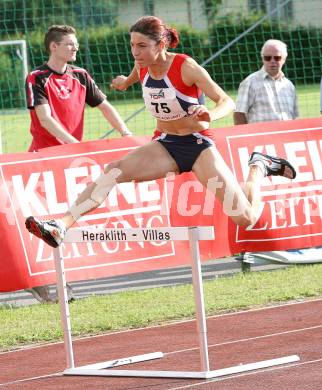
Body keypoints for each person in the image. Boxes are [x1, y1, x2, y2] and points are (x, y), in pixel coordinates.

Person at [25, 16, 296, 253]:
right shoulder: (142, 64)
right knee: (113, 170)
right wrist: (123, 82)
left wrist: (209, 115)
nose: (135, 51)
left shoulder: (185, 66)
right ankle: (60, 225)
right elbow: (134, 76)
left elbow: (226, 100)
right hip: (166, 145)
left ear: (161, 45)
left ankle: (258, 167)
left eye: (141, 45)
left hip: (198, 146)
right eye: (132, 44)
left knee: (246, 218)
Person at [25, 25, 132, 302]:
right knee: (44, 219)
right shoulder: (37, 77)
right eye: (70, 44)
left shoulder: (81, 76)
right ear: (54, 47)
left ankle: (60, 282)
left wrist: (125, 133)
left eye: (75, 44)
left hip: (70, 161)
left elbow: (105, 106)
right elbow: (45, 119)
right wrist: (74, 144)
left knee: (66, 217)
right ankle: (39, 280)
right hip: (43, 159)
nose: (76, 48)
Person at [234, 39, 298, 125]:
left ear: (284, 59)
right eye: (267, 58)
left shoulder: (289, 85)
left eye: (277, 58)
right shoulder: (250, 82)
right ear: (262, 58)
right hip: (261, 137)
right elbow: (239, 114)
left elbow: (294, 117)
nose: (272, 61)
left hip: (287, 135)